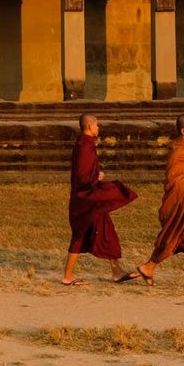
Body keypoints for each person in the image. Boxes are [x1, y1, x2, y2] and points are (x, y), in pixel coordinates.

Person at [127, 114, 184, 289]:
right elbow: (173, 179)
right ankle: (149, 267)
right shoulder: (178, 150)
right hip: (182, 200)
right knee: (175, 235)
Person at [61, 113, 138, 285]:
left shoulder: (85, 144)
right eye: (97, 125)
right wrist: (97, 176)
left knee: (105, 230)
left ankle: (116, 271)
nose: (98, 128)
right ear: (89, 126)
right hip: (85, 198)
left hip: (91, 198)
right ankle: (67, 276)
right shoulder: (84, 146)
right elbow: (82, 176)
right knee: (79, 235)